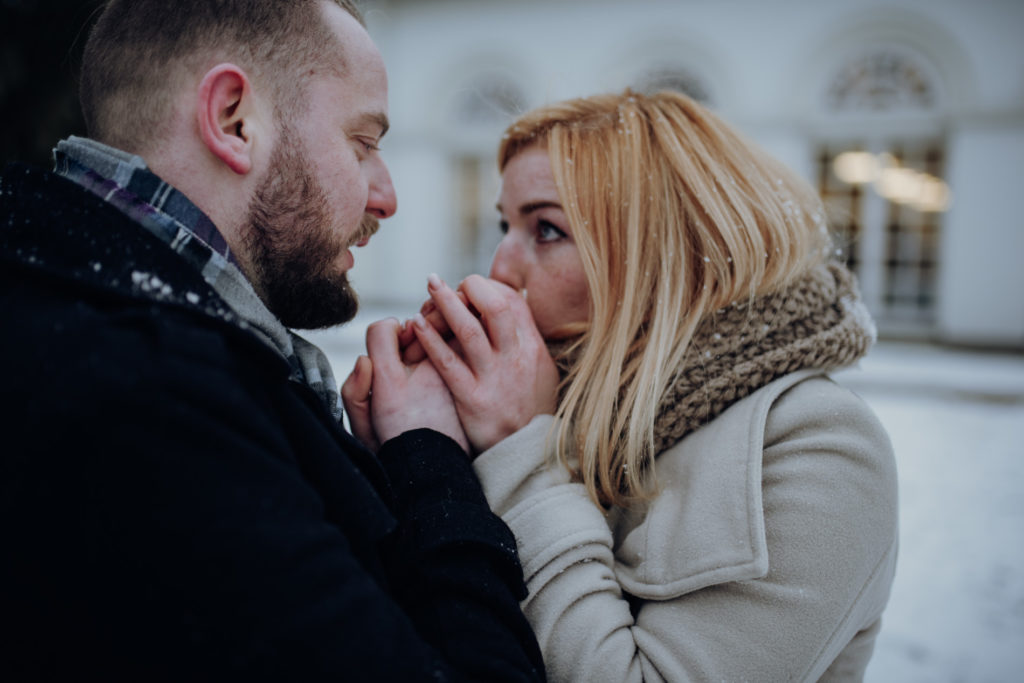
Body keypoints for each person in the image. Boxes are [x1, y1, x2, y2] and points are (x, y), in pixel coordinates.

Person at [0, 1, 546, 680]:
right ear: (234, 120)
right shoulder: (149, 399)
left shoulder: (77, 310)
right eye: (362, 143)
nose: (386, 196)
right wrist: (430, 459)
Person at [364, 90, 898, 681]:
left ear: (669, 254)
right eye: (504, 225)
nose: (499, 269)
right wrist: (411, 462)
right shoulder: (545, 403)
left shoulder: (818, 446)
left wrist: (523, 448)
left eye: (546, 229)